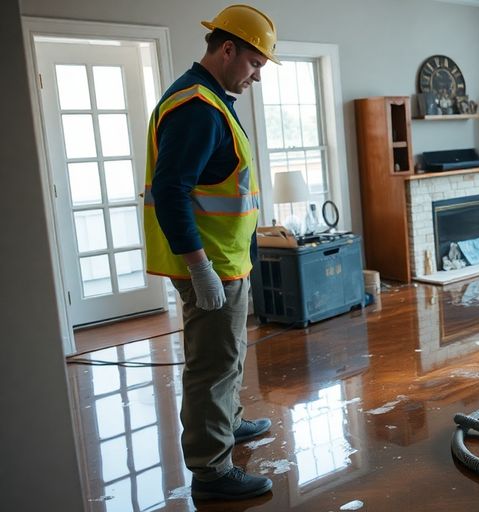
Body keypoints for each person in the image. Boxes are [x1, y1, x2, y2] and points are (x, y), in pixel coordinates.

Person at [142, 4, 280, 501]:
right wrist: (199, 268)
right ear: (227, 49)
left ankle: (229, 422)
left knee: (228, 356)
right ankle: (211, 470)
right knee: (212, 365)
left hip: (225, 260)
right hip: (211, 265)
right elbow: (172, 189)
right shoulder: (198, 106)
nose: (257, 75)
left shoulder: (210, 99)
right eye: (255, 63)